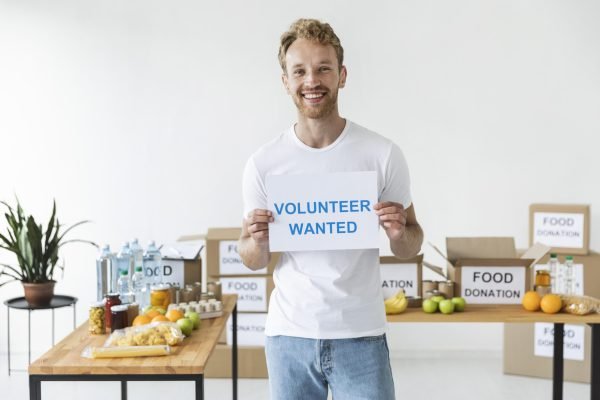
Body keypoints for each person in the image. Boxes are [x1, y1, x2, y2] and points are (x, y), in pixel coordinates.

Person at [239, 18, 423, 400]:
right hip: (290, 334)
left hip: (361, 334)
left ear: (342, 75)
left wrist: (399, 231)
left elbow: (411, 245)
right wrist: (257, 240)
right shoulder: (264, 163)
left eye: (324, 68)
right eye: (300, 71)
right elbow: (252, 259)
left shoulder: (382, 154)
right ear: (285, 81)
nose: (312, 81)